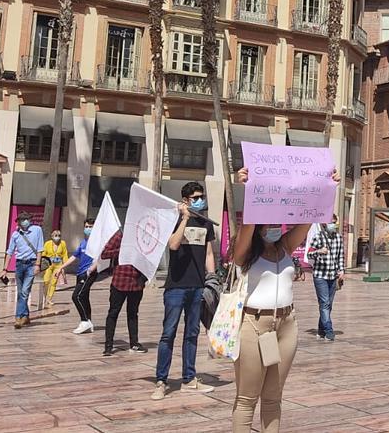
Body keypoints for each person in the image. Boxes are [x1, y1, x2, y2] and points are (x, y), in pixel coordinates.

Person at [229, 166, 336, 432]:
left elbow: (311, 216)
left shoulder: (286, 246)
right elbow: (248, 225)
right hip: (253, 325)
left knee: (273, 398)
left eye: (279, 221)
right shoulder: (245, 251)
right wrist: (249, 190)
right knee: (247, 398)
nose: (276, 226)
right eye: (270, 221)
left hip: (287, 324)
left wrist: (327, 187)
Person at [153, 181, 217, 400]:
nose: (200, 200)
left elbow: (209, 254)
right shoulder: (174, 220)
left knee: (192, 334)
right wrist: (185, 218)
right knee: (168, 333)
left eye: (202, 196)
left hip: (197, 286)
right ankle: (161, 380)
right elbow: (173, 245)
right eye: (195, 198)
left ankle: (189, 378)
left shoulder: (207, 224)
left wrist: (213, 280)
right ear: (185, 200)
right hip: (176, 287)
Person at [100, 228, 146, 356]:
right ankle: (108, 345)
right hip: (119, 281)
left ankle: (134, 343)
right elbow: (104, 253)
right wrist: (122, 250)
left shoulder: (143, 237)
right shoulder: (121, 235)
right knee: (113, 313)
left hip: (137, 282)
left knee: (133, 314)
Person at [307, 215, 345, 341]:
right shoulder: (318, 237)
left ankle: (321, 330)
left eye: (335, 223)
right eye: (331, 223)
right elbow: (309, 254)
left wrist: (341, 271)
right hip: (320, 275)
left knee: (328, 304)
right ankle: (329, 330)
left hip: (333, 276)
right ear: (324, 224)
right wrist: (319, 251)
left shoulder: (339, 238)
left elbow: (340, 256)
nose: (333, 225)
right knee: (324, 303)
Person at [4, 213, 43, 329]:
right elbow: (9, 252)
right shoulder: (15, 234)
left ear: (30, 220)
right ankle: (25, 315)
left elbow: (40, 248)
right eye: (22, 220)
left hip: (31, 263)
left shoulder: (37, 230)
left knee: (25, 291)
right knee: (21, 292)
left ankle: (18, 317)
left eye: (26, 219)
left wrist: (38, 264)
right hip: (19, 264)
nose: (24, 221)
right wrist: (4, 269)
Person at [66, 219, 96, 334]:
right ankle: (88, 321)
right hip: (80, 273)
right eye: (87, 226)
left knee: (76, 296)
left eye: (91, 227)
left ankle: (85, 321)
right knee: (84, 297)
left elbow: (100, 257)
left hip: (88, 273)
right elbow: (74, 256)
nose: (88, 229)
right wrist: (61, 267)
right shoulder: (83, 242)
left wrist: (92, 268)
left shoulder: (97, 242)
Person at [40, 229, 69, 309]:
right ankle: (44, 296)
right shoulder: (47, 244)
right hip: (49, 265)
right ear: (52, 236)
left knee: (54, 282)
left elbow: (65, 254)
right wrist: (43, 262)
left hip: (58, 265)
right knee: (46, 281)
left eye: (59, 236)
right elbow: (43, 254)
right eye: (55, 236)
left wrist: (64, 265)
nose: (57, 237)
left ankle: (49, 298)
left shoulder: (63, 243)